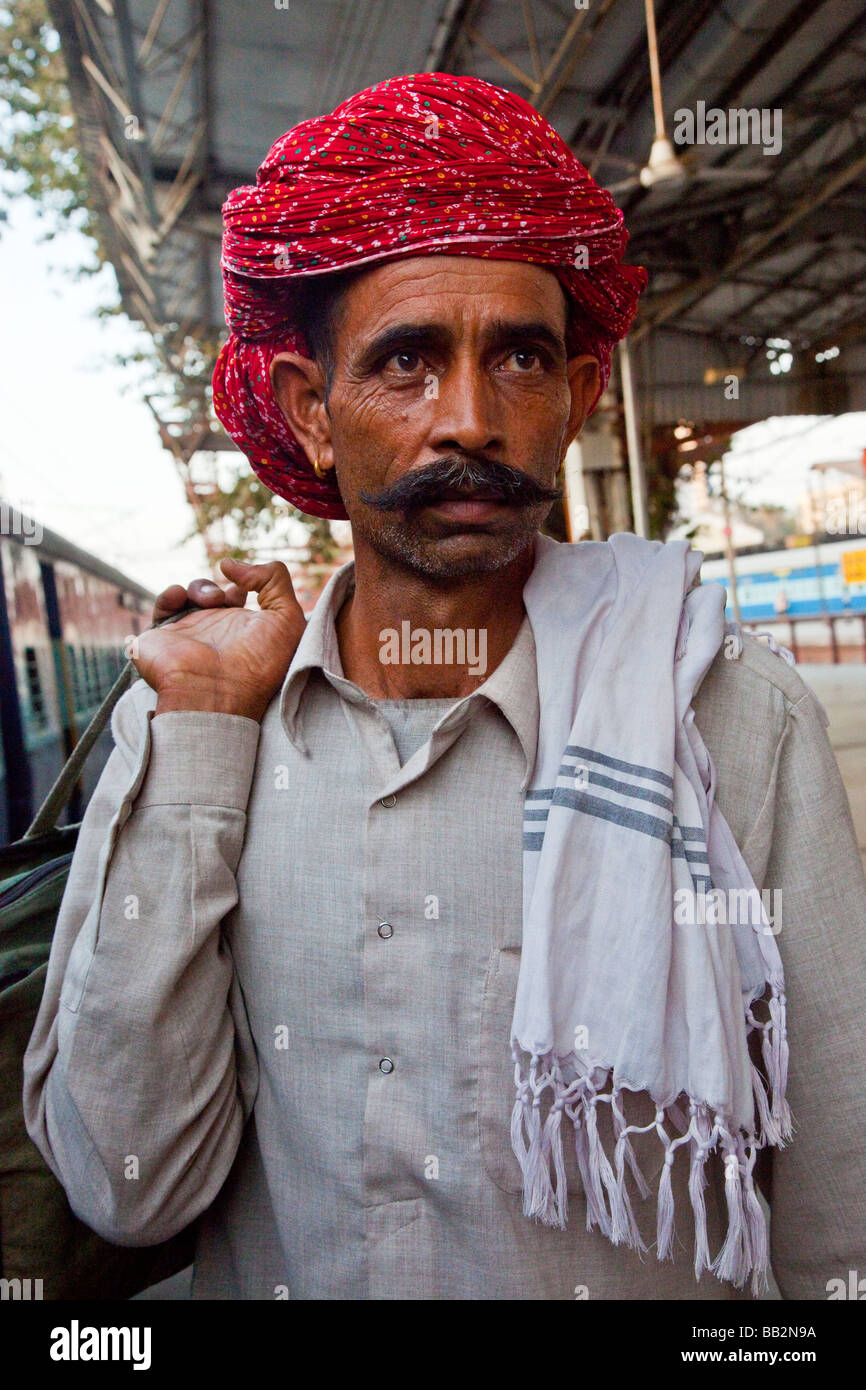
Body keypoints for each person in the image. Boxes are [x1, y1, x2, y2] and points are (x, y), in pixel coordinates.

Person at [24, 73, 866, 1301]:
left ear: (577, 399)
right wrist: (203, 750)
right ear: (311, 414)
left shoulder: (732, 720)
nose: (469, 419)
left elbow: (836, 1200)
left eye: (519, 357)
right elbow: (126, 1181)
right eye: (407, 361)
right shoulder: (200, 728)